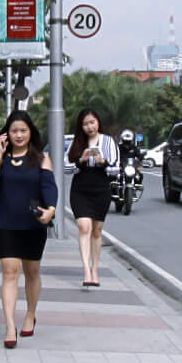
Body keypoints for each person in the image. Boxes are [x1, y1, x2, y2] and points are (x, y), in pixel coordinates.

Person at [0, 110, 58, 345]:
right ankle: (10, 326)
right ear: (7, 133)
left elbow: (49, 187)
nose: (18, 135)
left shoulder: (41, 158)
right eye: (14, 130)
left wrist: (51, 209)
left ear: (31, 133)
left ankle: (30, 315)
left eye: (23, 131)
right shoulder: (0, 158)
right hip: (5, 221)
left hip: (32, 222)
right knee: (9, 272)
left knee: (32, 272)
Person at [67, 108, 117, 289]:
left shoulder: (108, 141)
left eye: (92, 122)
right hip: (80, 188)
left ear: (98, 122)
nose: (89, 127)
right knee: (83, 226)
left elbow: (115, 169)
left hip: (101, 187)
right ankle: (86, 271)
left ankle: (95, 268)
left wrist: (102, 162)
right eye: (86, 124)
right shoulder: (78, 142)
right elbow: (66, 167)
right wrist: (81, 160)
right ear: (81, 126)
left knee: (97, 230)